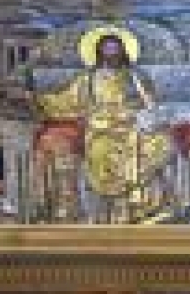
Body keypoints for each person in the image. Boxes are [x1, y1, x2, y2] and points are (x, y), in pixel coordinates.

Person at [36, 28, 172, 223]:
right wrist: (40, 99)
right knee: (103, 152)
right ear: (99, 52)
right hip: (101, 129)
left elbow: (150, 104)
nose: (111, 53)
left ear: (122, 51)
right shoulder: (88, 79)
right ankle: (114, 212)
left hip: (132, 126)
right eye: (107, 49)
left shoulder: (135, 77)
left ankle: (144, 207)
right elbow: (67, 101)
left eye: (115, 49)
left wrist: (145, 117)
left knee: (159, 143)